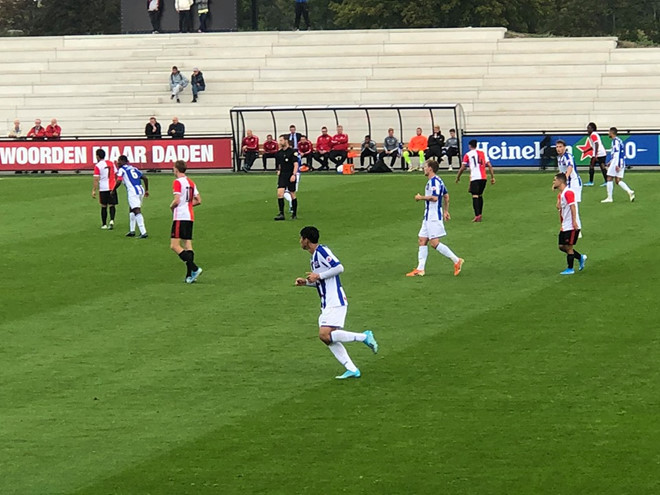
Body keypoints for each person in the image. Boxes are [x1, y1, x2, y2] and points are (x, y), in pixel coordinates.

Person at [295, 226, 378, 380]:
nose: (300, 241)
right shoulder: (314, 258)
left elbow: (339, 267)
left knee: (324, 334)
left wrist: (318, 275)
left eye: (301, 238)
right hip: (327, 302)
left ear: (307, 239)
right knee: (327, 337)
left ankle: (364, 336)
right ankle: (352, 369)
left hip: (335, 300)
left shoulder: (322, 252)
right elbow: (321, 281)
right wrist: (306, 282)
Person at [406, 160, 464, 277]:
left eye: (425, 167)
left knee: (434, 243)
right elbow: (446, 196)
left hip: (433, 216)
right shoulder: (438, 180)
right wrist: (446, 211)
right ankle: (420, 269)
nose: (423, 168)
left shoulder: (434, 182)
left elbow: (435, 198)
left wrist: (420, 197)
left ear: (430, 168)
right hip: (428, 216)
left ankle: (456, 260)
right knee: (422, 240)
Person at [170, 160, 203, 283]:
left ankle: (194, 268)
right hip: (189, 216)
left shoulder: (177, 182)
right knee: (188, 245)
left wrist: (172, 206)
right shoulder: (191, 182)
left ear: (177, 169)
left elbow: (177, 200)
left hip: (180, 216)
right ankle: (190, 276)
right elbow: (198, 200)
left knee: (174, 245)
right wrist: (188, 204)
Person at [553, 172, 586, 275]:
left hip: (571, 225)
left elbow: (573, 207)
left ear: (560, 181)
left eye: (555, 180)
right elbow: (558, 207)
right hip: (564, 225)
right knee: (561, 246)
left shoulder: (569, 193)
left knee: (568, 247)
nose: (553, 182)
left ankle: (570, 268)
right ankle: (580, 257)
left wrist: (574, 222)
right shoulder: (562, 194)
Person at [456, 139, 495, 222]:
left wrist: (458, 176)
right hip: (483, 178)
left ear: (470, 146)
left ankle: (477, 215)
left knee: (475, 196)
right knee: (480, 195)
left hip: (475, 178)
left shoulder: (467, 155)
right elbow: (489, 165)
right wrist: (492, 177)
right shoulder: (483, 153)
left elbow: (463, 167)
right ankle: (480, 214)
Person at [111, 155, 149, 239]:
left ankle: (143, 232)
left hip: (132, 191)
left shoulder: (122, 169)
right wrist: (146, 190)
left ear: (123, 161)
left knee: (136, 210)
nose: (118, 163)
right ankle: (132, 230)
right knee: (132, 208)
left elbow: (119, 181)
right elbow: (145, 178)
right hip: (140, 189)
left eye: (119, 161)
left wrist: (113, 190)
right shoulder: (134, 168)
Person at [602, 127, 635, 203]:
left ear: (612, 132)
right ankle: (630, 191)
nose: (608, 133)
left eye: (609, 132)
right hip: (621, 161)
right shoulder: (619, 140)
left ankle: (609, 198)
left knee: (609, 178)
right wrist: (611, 161)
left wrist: (616, 164)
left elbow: (617, 153)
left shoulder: (615, 141)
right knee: (618, 180)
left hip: (617, 162)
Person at [91, 149, 118, 230]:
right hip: (112, 187)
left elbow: (96, 179)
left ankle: (104, 224)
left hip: (103, 188)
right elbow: (116, 174)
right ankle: (112, 220)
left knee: (103, 206)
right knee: (112, 205)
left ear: (97, 156)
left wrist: (94, 190)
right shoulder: (111, 163)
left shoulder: (98, 166)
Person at [274, 135, 298, 221]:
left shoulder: (292, 152)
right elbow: (279, 164)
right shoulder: (278, 153)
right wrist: (278, 170)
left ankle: (294, 214)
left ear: (286, 141)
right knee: (280, 193)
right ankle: (281, 213)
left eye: (281, 140)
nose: (279, 142)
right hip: (283, 175)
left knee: (292, 193)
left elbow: (296, 164)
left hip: (290, 174)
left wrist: (294, 175)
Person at [556, 139, 582, 203]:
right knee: (565, 203)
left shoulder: (567, 156)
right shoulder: (559, 158)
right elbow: (561, 171)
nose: (558, 149)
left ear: (564, 147)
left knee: (573, 203)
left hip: (574, 182)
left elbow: (570, 166)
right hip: (566, 183)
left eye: (560, 147)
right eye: (557, 147)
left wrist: (565, 178)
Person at [584, 122, 608, 186]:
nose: (587, 130)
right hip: (602, 152)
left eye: (588, 128)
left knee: (592, 166)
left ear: (592, 128)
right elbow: (594, 145)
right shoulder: (595, 134)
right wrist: (587, 150)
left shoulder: (593, 135)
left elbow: (596, 144)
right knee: (602, 166)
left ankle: (591, 182)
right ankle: (607, 181)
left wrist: (596, 155)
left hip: (598, 153)